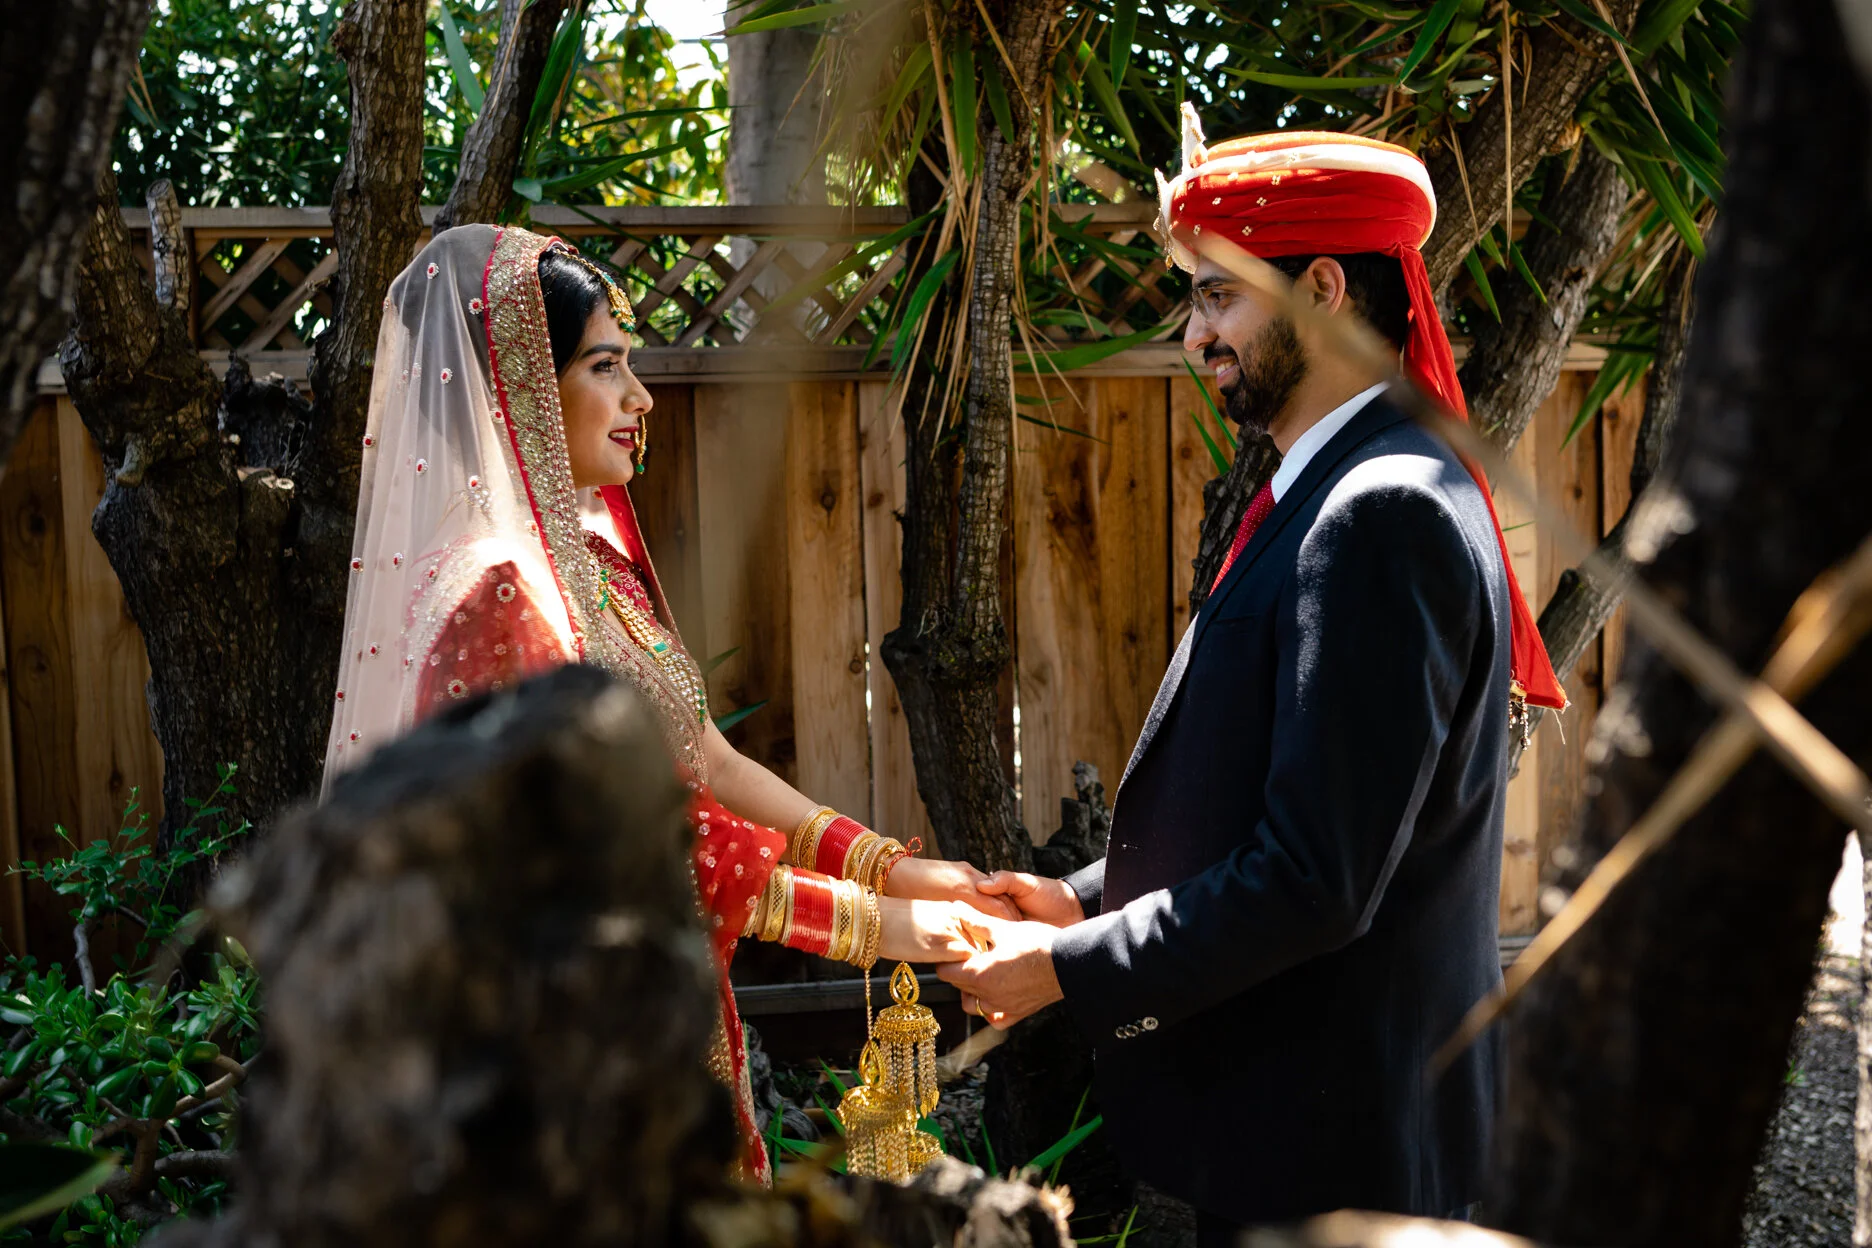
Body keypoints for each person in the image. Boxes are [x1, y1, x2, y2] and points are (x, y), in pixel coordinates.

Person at [939, 114, 1568, 1236]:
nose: (1195, 336)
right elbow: (1273, 804)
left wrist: (1067, 967)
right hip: (1317, 1125)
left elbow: (1315, 878)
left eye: (1218, 296)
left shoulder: (1379, 512)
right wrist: (1083, 898)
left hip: (1337, 1150)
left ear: (1322, 288)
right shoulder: (1354, 483)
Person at [322, 223, 1004, 1183]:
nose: (640, 397)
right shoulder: (497, 593)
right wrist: (872, 927)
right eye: (607, 367)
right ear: (520, 387)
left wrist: (890, 868)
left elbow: (708, 761)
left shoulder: (585, 572)